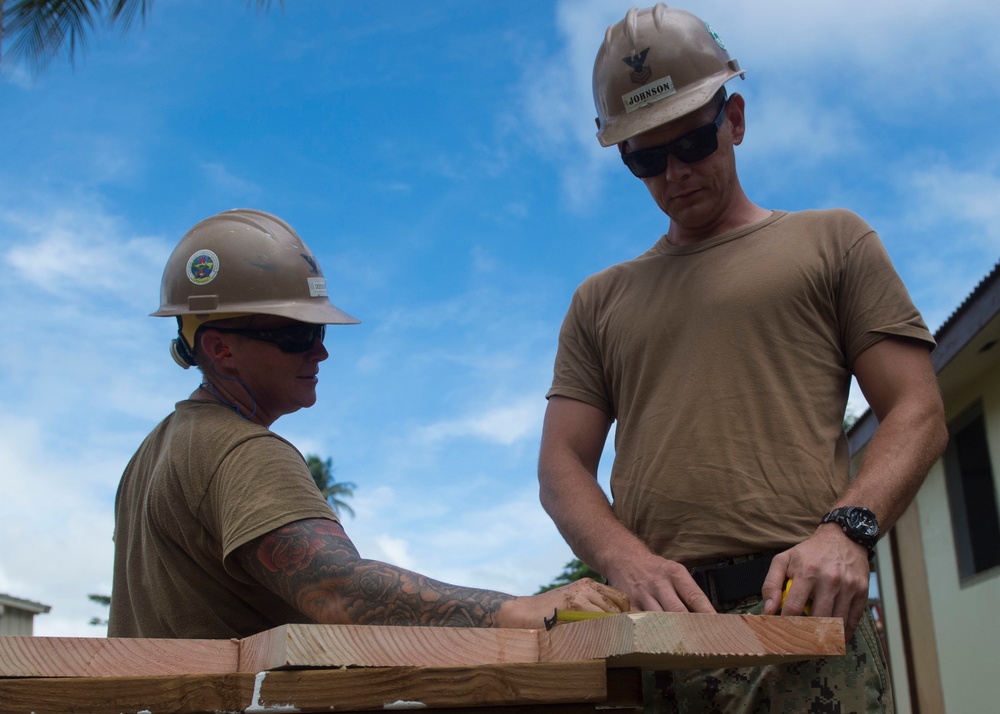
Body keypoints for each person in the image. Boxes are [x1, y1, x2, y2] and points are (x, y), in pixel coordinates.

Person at [536, 5, 947, 712]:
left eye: (693, 141)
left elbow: (919, 411)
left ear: (735, 120)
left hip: (802, 622)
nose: (675, 173)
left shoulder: (834, 243)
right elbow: (561, 464)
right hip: (659, 638)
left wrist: (846, 529)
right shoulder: (600, 300)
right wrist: (624, 559)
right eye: (645, 158)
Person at [108, 208, 628, 639]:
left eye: (318, 331)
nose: (321, 351)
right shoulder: (241, 452)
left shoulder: (154, 455)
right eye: (295, 336)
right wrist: (517, 610)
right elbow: (336, 590)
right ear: (221, 350)